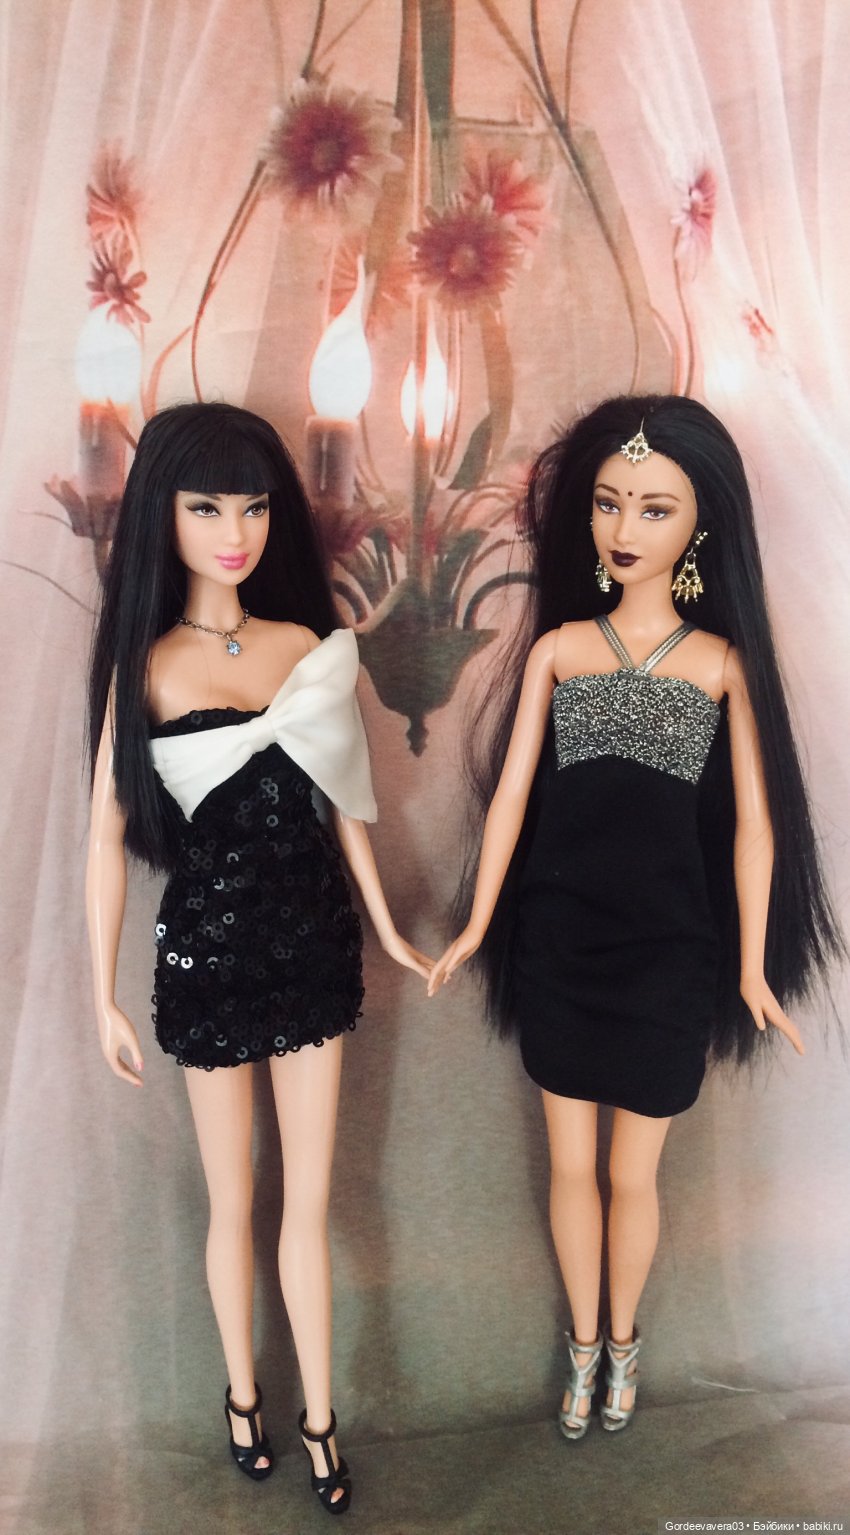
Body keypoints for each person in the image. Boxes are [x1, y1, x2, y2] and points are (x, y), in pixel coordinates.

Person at [428, 394, 842, 1440]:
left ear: (699, 527)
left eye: (655, 508)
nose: (623, 528)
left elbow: (756, 828)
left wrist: (749, 968)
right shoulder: (561, 649)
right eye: (609, 502)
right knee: (573, 1165)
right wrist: (478, 923)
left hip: (668, 952)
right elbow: (511, 798)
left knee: (630, 1170)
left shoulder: (718, 664)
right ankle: (584, 1345)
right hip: (563, 939)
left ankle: (624, 1339)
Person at [87, 401, 430, 1515]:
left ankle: (319, 1416)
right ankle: (243, 1396)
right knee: (230, 1198)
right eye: (206, 507)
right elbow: (103, 836)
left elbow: (344, 801)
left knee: (310, 1199)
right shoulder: (147, 666)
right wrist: (99, 992)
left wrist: (385, 925)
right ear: (164, 515)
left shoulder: (299, 647)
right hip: (207, 953)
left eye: (252, 507)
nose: (233, 531)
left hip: (312, 944)